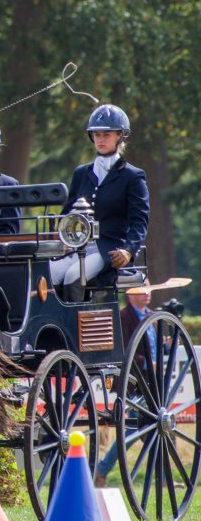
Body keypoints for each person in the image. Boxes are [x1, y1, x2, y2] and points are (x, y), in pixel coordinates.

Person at [49, 104, 149, 301]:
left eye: (106, 134)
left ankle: (74, 329)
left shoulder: (133, 176)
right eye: (96, 135)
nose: (100, 140)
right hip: (78, 247)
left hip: (109, 249)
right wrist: (61, 236)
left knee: (73, 275)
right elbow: (67, 211)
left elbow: (139, 221)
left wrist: (128, 250)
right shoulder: (81, 173)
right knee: (47, 273)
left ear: (120, 136)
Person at [95, 286, 153, 487]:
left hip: (153, 383)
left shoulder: (153, 317)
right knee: (136, 430)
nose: (147, 292)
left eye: (149, 288)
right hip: (133, 380)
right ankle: (102, 469)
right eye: (141, 289)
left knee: (152, 429)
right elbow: (123, 350)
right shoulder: (123, 317)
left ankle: (161, 478)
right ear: (129, 294)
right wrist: (146, 363)